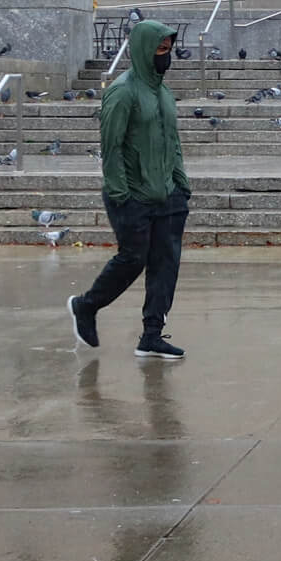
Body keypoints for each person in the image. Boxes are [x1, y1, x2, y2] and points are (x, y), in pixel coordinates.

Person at [69, 19, 190, 360]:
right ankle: (86, 305)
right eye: (159, 49)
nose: (165, 55)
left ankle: (152, 335)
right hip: (133, 196)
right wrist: (122, 194)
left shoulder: (163, 92)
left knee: (165, 265)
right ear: (142, 49)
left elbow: (172, 141)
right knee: (132, 259)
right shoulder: (122, 91)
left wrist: (181, 184)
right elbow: (112, 146)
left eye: (168, 49)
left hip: (168, 195)